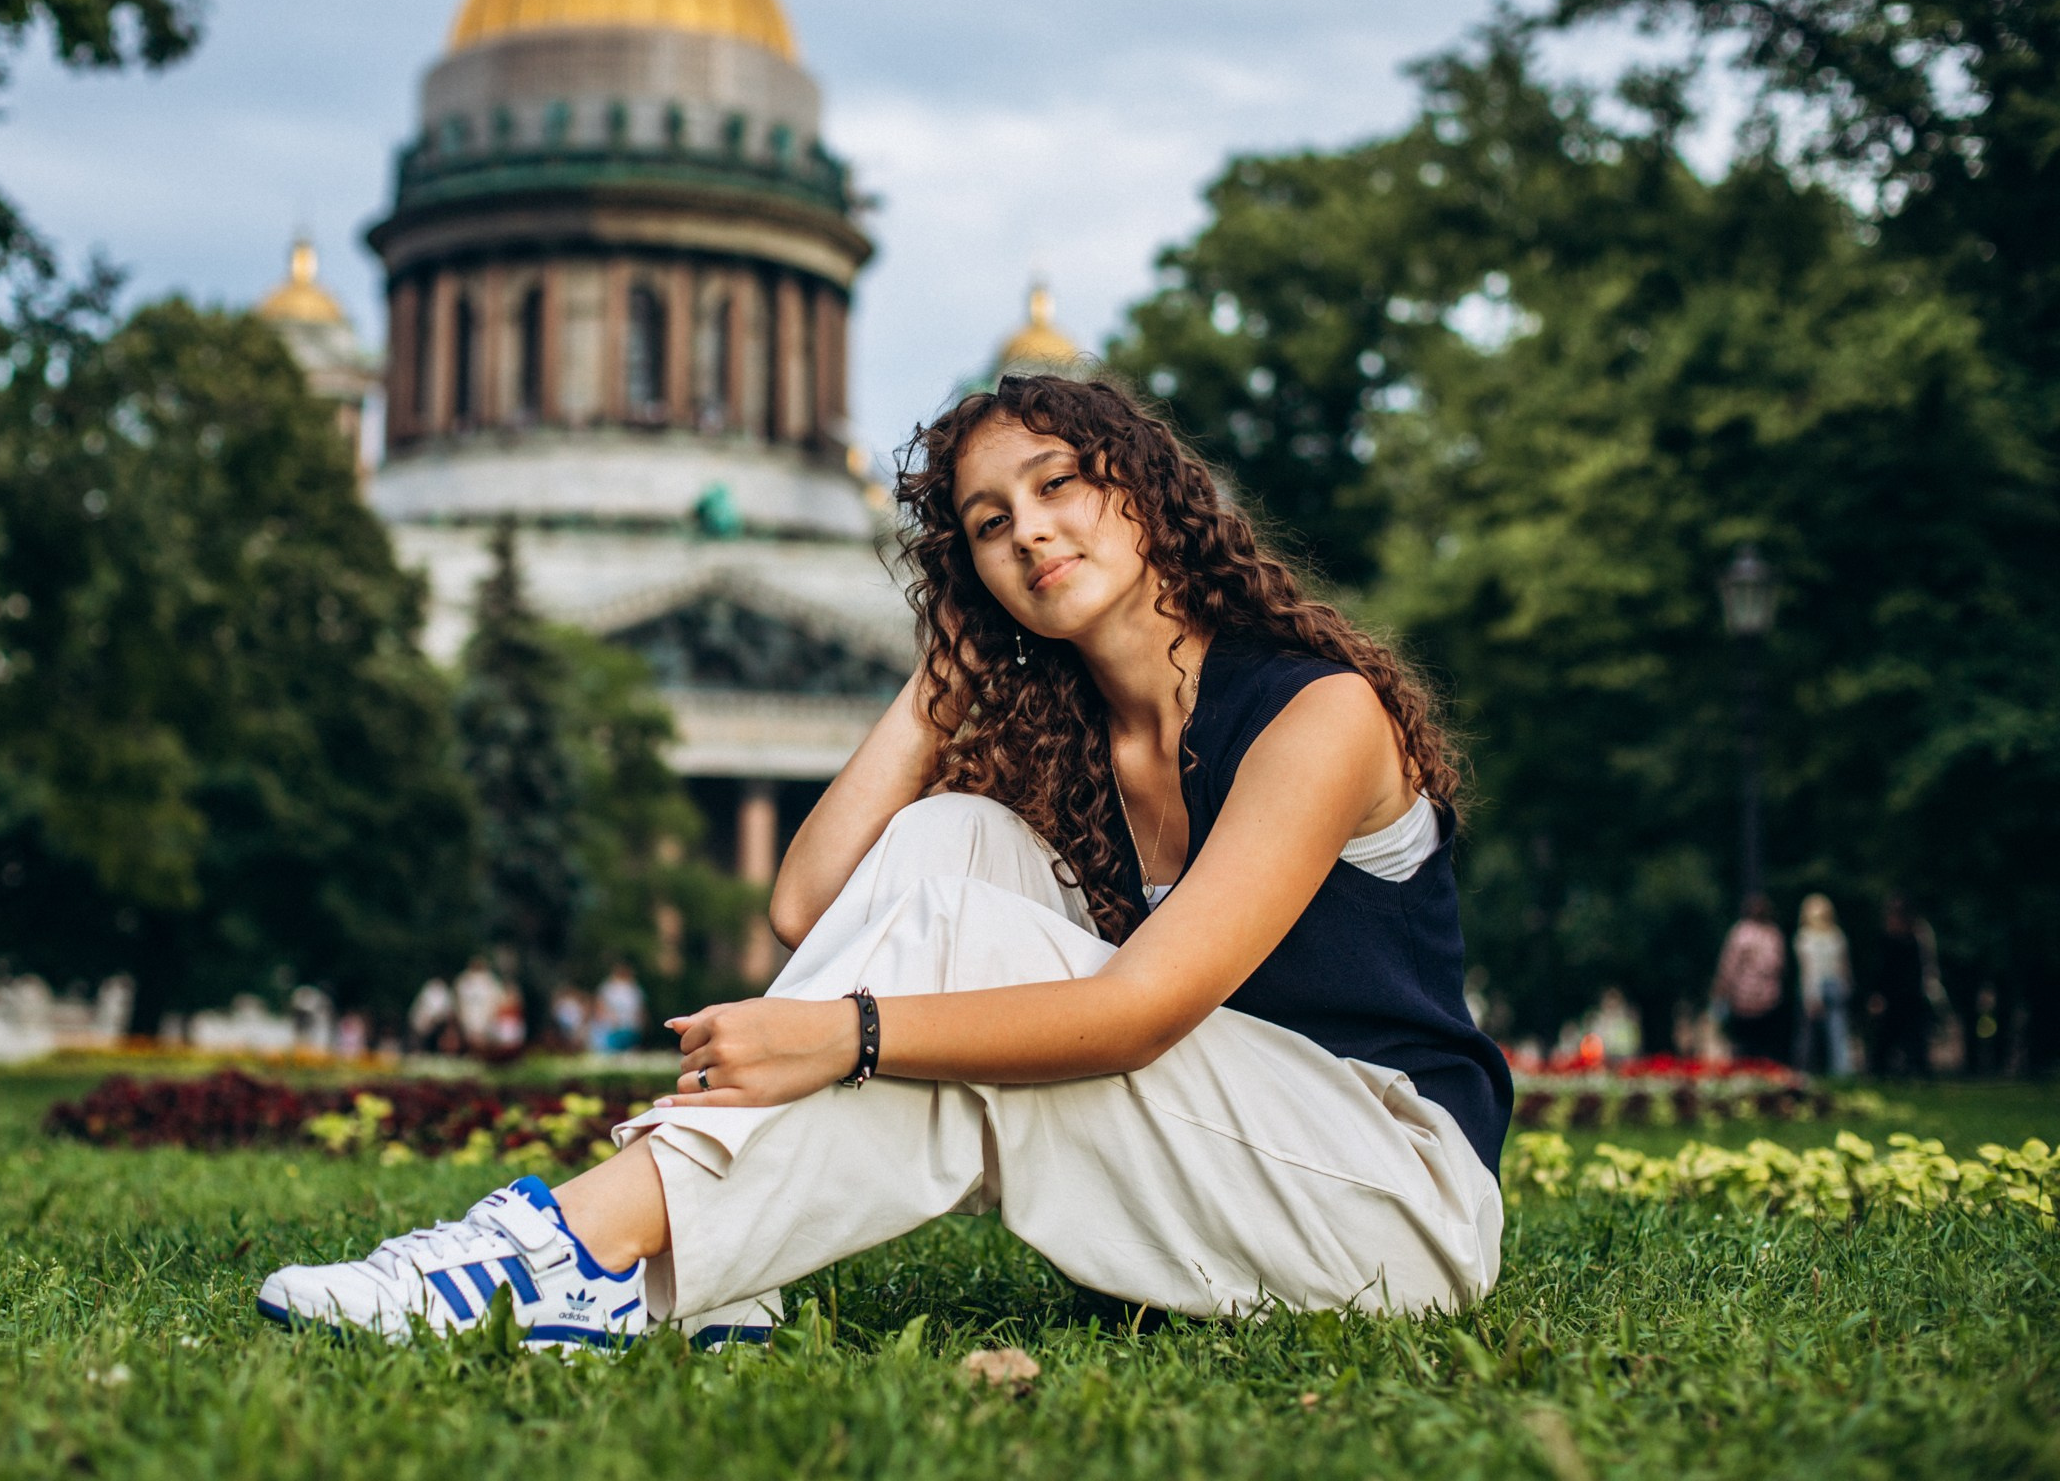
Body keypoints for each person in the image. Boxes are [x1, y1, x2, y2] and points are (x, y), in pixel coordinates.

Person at [256, 373, 1511, 1349]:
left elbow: (1138, 1012)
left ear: (1147, 490)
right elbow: (812, 903)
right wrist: (938, 680)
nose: (1030, 532)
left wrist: (848, 1034)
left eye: (1060, 483)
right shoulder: (1088, 740)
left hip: (1388, 1204)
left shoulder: (1317, 713)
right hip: (1227, 1173)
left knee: (981, 942)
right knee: (947, 835)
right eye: (987, 525)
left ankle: (569, 1251)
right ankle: (686, 1273)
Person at [1711, 896, 1788, 1063]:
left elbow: (1729, 965)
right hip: (1768, 999)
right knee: (1763, 1043)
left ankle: (1747, 1073)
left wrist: (1721, 987)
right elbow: (1780, 966)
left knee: (1744, 1044)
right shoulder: (1773, 934)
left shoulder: (1741, 932)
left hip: (1744, 998)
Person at [1792, 893, 1852, 1077]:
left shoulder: (1806, 937)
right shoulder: (1835, 936)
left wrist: (1811, 994)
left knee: (1812, 1033)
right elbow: (1842, 966)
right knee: (1833, 1032)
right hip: (1829, 985)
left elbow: (1810, 970)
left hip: (1822, 985)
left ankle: (1804, 1070)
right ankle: (1837, 1071)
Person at [1871, 895, 1932, 1077]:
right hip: (1892, 996)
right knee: (1887, 1036)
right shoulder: (1887, 939)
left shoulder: (1913, 939)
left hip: (1910, 995)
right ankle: (1880, 1070)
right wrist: (1878, 994)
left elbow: (1918, 969)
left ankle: (1916, 1069)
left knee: (1913, 1036)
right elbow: (1881, 970)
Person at [590, 964, 647, 1054]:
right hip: (611, 1026)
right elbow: (600, 1008)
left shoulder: (635, 990)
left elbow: (640, 1012)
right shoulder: (607, 988)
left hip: (629, 1026)